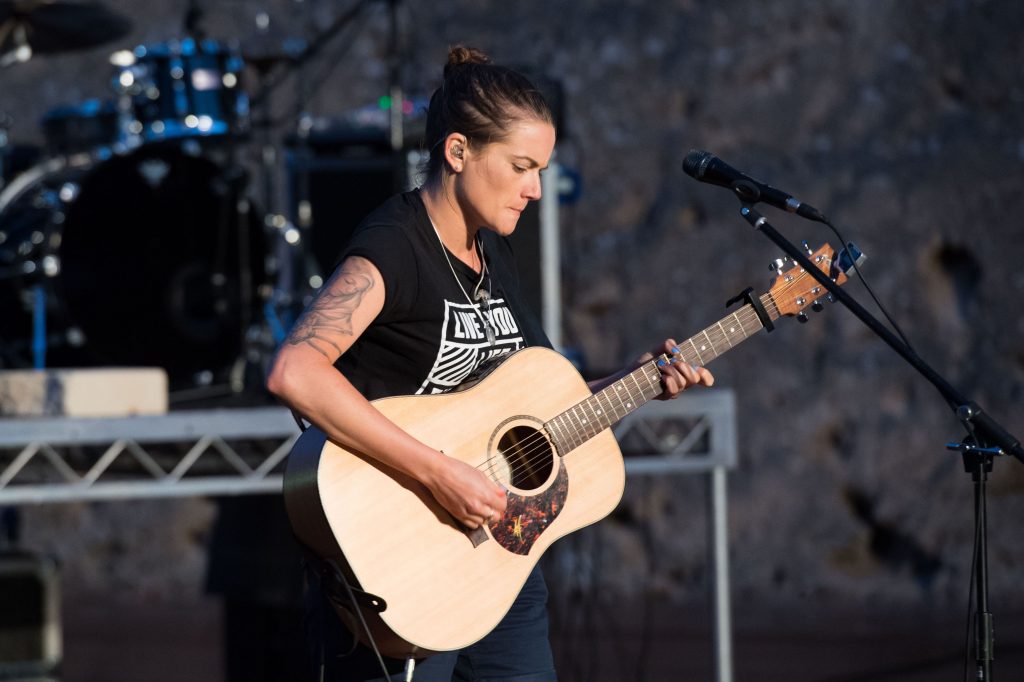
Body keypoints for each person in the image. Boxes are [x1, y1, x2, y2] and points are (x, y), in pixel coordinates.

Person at [266, 45, 714, 682]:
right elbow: (295, 371)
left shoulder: (490, 252)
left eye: (542, 169)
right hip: (405, 560)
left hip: (501, 557)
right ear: (458, 153)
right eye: (522, 166)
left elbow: (535, 406)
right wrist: (439, 473)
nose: (536, 189)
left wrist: (639, 382)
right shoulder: (394, 248)